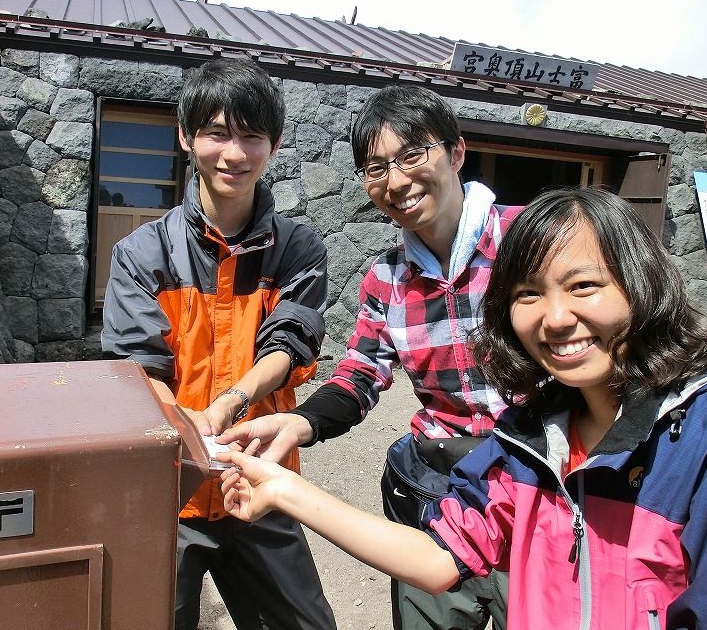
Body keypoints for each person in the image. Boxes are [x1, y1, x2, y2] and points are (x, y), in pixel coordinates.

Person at [219, 187, 707, 630]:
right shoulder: (531, 437)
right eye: (528, 294)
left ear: (642, 283)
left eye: (584, 286)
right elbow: (439, 556)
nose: (556, 318)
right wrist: (284, 488)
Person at [220, 84, 518, 630]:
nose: (396, 181)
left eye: (412, 155)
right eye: (376, 168)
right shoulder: (388, 276)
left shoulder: (530, 243)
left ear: (456, 152)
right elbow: (359, 374)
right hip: (438, 490)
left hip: (535, 488)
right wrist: (300, 422)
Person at [101, 58, 336, 630]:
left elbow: (289, 344)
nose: (235, 153)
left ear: (274, 144)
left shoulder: (297, 249)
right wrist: (187, 429)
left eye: (251, 136)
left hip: (258, 481)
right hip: (170, 491)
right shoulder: (142, 254)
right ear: (186, 137)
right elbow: (139, 366)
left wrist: (231, 401)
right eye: (216, 133)